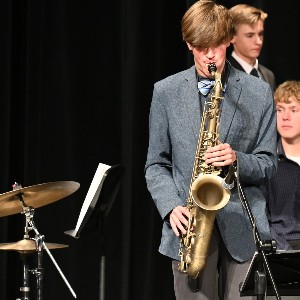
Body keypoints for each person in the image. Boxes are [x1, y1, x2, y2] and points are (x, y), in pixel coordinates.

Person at [145, 1, 277, 299]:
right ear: (188, 43)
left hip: (243, 224)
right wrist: (169, 207)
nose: (210, 55)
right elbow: (156, 164)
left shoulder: (258, 92)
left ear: (229, 40)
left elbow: (269, 163)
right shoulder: (165, 92)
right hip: (188, 227)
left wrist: (237, 160)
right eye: (202, 47)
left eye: (217, 45)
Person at [262, 81, 300, 251]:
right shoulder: (266, 162)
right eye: (280, 110)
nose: (285, 117)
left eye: (293, 110)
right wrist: (283, 250)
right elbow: (260, 217)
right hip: (281, 251)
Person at [227, 4, 276, 91]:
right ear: (231, 37)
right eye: (250, 35)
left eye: (260, 34)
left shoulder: (268, 75)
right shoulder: (224, 74)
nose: (258, 41)